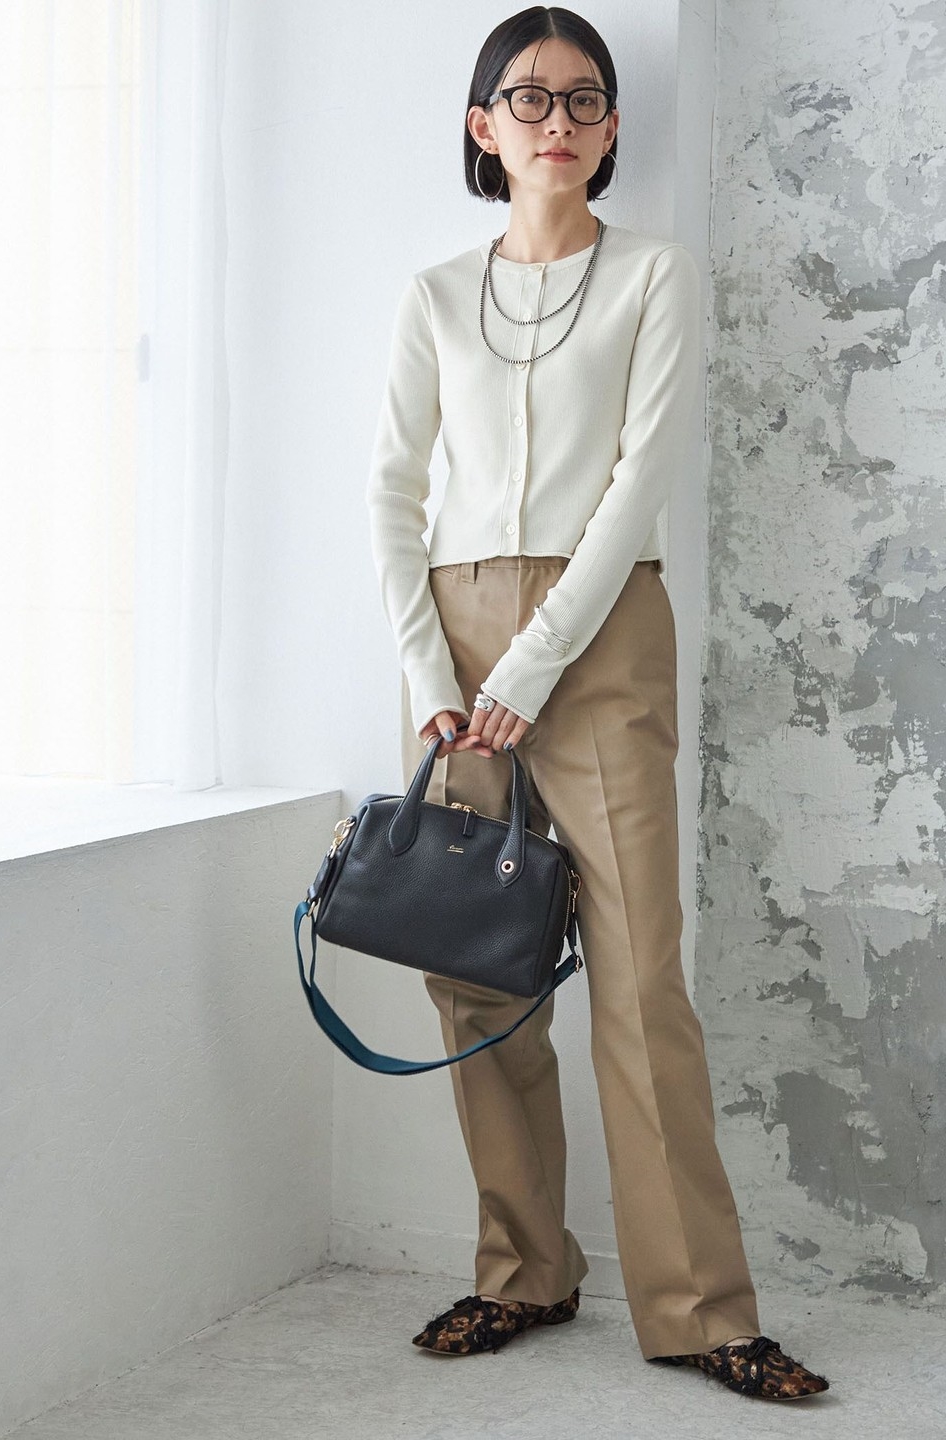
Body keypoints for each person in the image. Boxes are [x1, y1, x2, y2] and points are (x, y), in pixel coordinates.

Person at [366, 5, 830, 1403]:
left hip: (602, 629)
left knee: (638, 980)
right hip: (454, 644)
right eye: (528, 96)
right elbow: (392, 493)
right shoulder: (433, 295)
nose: (556, 120)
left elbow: (640, 481)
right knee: (474, 970)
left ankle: (699, 1309)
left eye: (583, 99)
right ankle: (523, 1271)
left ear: (613, 128)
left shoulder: (654, 277)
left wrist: (529, 666)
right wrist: (435, 677)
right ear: (482, 125)